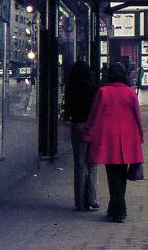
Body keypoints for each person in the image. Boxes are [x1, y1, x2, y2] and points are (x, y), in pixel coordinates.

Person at [85, 62, 144, 224]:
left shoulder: (103, 92)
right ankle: (117, 209)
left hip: (109, 140)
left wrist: (89, 133)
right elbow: (137, 116)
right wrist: (140, 135)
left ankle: (117, 209)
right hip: (128, 139)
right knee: (123, 175)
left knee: (112, 176)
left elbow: (94, 115)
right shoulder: (130, 93)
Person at [65, 61, 99, 212]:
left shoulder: (71, 87)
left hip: (77, 125)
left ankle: (79, 202)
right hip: (92, 126)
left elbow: (68, 109)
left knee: (79, 164)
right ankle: (92, 198)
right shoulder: (93, 88)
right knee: (92, 163)